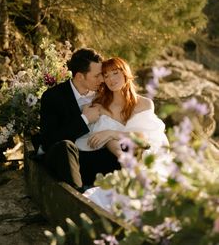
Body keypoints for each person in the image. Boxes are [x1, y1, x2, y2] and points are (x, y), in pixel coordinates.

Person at [39, 48, 121, 191]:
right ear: (79, 77)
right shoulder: (53, 97)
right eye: (97, 76)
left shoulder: (104, 93)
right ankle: (77, 196)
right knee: (64, 147)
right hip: (71, 161)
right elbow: (48, 141)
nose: (102, 80)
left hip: (99, 157)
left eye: (102, 74)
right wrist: (84, 119)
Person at [76, 57, 169, 158]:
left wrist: (111, 133)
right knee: (110, 141)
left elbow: (145, 139)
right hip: (112, 158)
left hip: (143, 154)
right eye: (106, 76)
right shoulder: (99, 106)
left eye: (115, 73)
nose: (111, 79)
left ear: (125, 73)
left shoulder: (145, 104)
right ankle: (126, 162)